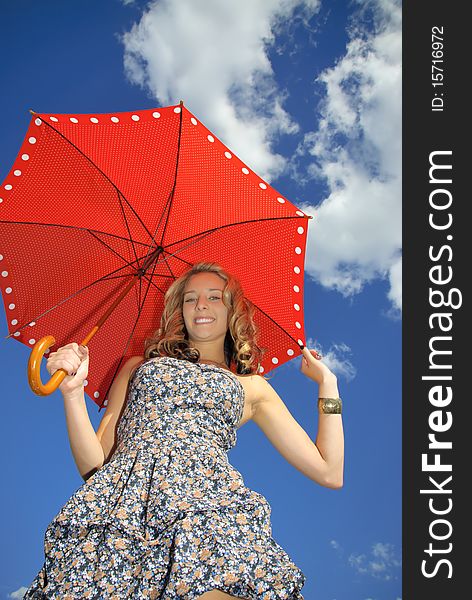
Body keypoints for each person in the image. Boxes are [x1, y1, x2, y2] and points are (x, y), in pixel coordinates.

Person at [24, 261, 344, 599]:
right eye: (190, 298)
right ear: (180, 310)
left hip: (206, 509)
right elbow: (95, 466)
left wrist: (329, 384)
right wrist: (73, 393)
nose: (201, 305)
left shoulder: (253, 387)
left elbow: (329, 471)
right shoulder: (140, 366)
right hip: (122, 515)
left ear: (233, 310)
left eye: (214, 297)